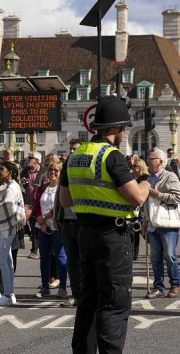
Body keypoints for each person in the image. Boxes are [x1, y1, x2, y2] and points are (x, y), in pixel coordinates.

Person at [60, 96, 151, 353]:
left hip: (85, 234)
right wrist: (144, 178)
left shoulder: (75, 156)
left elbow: (66, 200)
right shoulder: (112, 156)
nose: (124, 132)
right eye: (123, 127)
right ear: (115, 128)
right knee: (113, 302)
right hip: (113, 236)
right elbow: (138, 197)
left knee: (88, 300)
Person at [0, 162, 25, 306]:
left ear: (10, 172)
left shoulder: (12, 187)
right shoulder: (5, 186)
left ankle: (8, 294)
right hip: (6, 227)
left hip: (7, 227)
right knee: (7, 260)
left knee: (2, 260)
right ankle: (10, 293)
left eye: (2, 169)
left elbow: (7, 204)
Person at [141, 147, 180, 298]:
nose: (149, 161)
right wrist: (145, 221)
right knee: (155, 257)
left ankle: (175, 284)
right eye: (149, 158)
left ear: (161, 161)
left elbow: (177, 197)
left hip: (168, 223)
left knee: (170, 256)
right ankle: (158, 287)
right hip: (152, 223)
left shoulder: (170, 177)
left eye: (152, 159)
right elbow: (145, 203)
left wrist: (158, 194)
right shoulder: (148, 179)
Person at [34, 159, 68, 298]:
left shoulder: (62, 188)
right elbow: (36, 204)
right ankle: (45, 287)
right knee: (44, 258)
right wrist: (41, 221)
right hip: (42, 227)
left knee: (61, 257)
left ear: (60, 173)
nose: (53, 172)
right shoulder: (43, 187)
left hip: (57, 226)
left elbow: (61, 205)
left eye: (56, 170)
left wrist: (47, 216)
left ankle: (63, 287)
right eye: (50, 170)